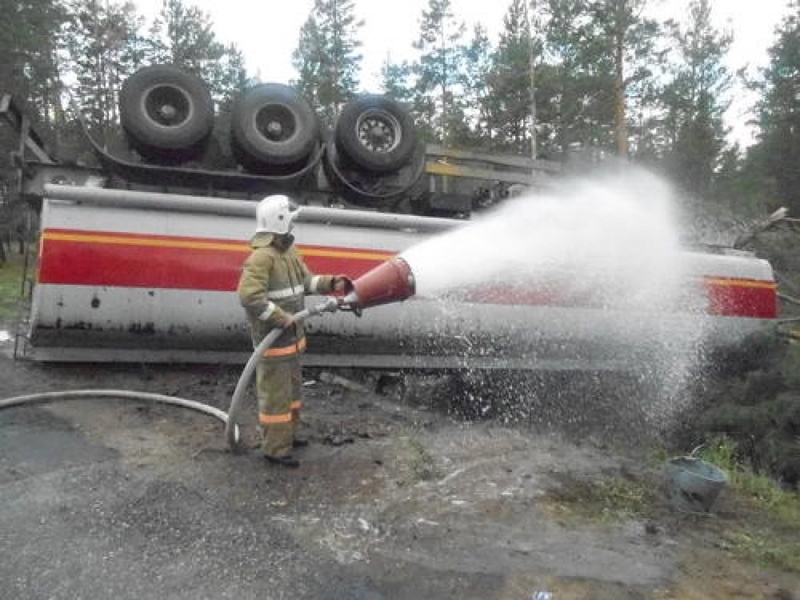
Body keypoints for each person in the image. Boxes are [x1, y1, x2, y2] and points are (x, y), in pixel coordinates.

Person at [237, 194, 349, 468]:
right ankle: (275, 450)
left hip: (293, 342)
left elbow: (307, 282)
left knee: (293, 395)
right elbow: (250, 297)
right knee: (276, 400)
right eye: (290, 221)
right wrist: (278, 317)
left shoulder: (289, 253)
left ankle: (289, 436)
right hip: (273, 346)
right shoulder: (262, 258)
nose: (293, 227)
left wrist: (331, 283)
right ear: (279, 222)